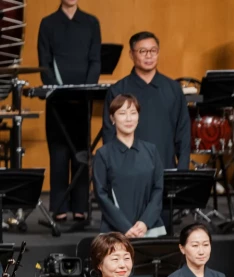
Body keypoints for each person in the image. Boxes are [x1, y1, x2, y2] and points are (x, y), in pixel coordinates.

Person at [37, 0, 101, 229]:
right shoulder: (48, 23)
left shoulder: (91, 23)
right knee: (59, 152)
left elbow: (95, 61)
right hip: (57, 98)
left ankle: (81, 207)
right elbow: (44, 62)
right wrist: (59, 91)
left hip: (83, 98)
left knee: (82, 153)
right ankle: (60, 207)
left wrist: (86, 89)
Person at [102, 32, 191, 170]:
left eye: (153, 51)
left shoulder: (173, 89)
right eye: (142, 51)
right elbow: (109, 135)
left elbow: (183, 133)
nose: (149, 55)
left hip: (166, 170)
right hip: (128, 173)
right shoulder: (118, 90)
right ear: (131, 54)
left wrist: (182, 169)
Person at [92, 94, 165, 238]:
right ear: (112, 118)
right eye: (122, 113)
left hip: (150, 228)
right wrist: (125, 227)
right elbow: (101, 196)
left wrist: (144, 223)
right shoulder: (103, 154)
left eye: (133, 113)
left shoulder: (151, 151)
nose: (129, 118)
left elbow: (158, 190)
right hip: (116, 231)